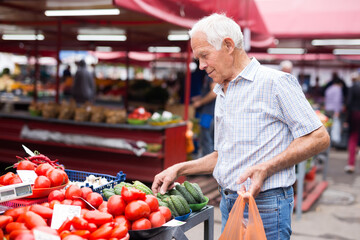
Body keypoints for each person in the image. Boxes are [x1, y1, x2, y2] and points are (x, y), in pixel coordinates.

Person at [151, 13, 330, 240]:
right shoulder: (222, 91)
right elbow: (222, 156)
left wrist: (268, 167)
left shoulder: (275, 83)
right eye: (198, 58)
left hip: (266, 204)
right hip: (229, 202)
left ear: (228, 45)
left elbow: (319, 137)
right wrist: (180, 168)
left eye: (204, 55)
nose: (201, 65)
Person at [192, 74, 217, 156]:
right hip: (209, 113)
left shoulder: (212, 74)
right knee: (208, 142)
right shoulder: (209, 74)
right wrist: (200, 98)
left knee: (207, 142)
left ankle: (209, 168)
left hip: (209, 113)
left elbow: (214, 92)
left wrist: (200, 102)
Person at [344, 71, 360, 173]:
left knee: (353, 138)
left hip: (354, 115)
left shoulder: (352, 88)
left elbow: (348, 103)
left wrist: (346, 120)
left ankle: (351, 164)